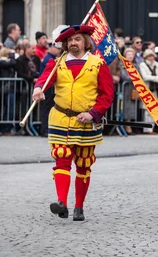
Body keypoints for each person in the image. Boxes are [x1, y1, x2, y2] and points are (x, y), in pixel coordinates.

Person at [32, 25, 114, 222]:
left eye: (77, 39)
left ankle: (79, 206)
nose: (72, 43)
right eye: (69, 41)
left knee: (84, 165)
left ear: (85, 42)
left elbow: (107, 95)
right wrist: (38, 88)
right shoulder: (57, 63)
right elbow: (44, 79)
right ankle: (61, 202)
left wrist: (93, 113)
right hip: (61, 119)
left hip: (86, 121)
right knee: (62, 158)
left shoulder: (98, 64)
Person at [138, 49, 158, 133]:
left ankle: (152, 128)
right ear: (146, 57)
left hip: (155, 90)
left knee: (155, 109)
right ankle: (147, 129)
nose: (151, 58)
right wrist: (157, 79)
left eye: (152, 56)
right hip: (146, 89)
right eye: (149, 56)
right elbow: (145, 76)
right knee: (147, 110)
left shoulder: (156, 64)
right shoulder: (142, 65)